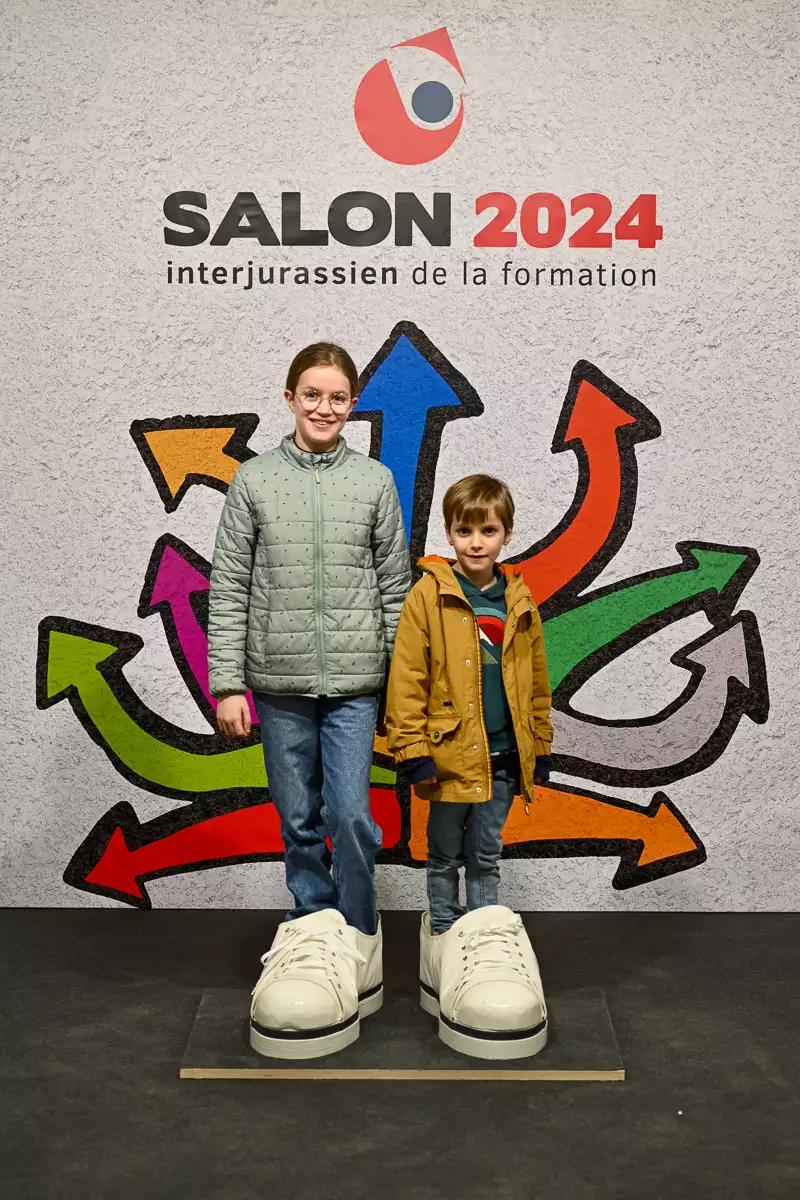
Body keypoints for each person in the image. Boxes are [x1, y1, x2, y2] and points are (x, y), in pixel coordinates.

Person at [208, 342, 410, 1060]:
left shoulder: (375, 481)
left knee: (350, 814)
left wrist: (401, 688)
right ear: (290, 397)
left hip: (357, 684)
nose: (325, 408)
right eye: (313, 394)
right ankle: (312, 928)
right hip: (278, 683)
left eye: (339, 397)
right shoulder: (255, 481)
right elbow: (229, 585)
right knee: (297, 819)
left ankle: (358, 937)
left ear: (353, 405)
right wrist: (227, 683)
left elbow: (396, 589)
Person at [386, 474, 554, 1060]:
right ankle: (442, 936)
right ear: (449, 533)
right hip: (448, 757)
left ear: (507, 534)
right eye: (464, 531)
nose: (476, 542)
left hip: (504, 756)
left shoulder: (519, 599)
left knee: (485, 852)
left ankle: (480, 940)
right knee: (443, 852)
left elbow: (536, 679)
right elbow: (406, 677)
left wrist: (539, 743)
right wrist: (412, 750)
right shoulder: (428, 596)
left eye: (488, 530)